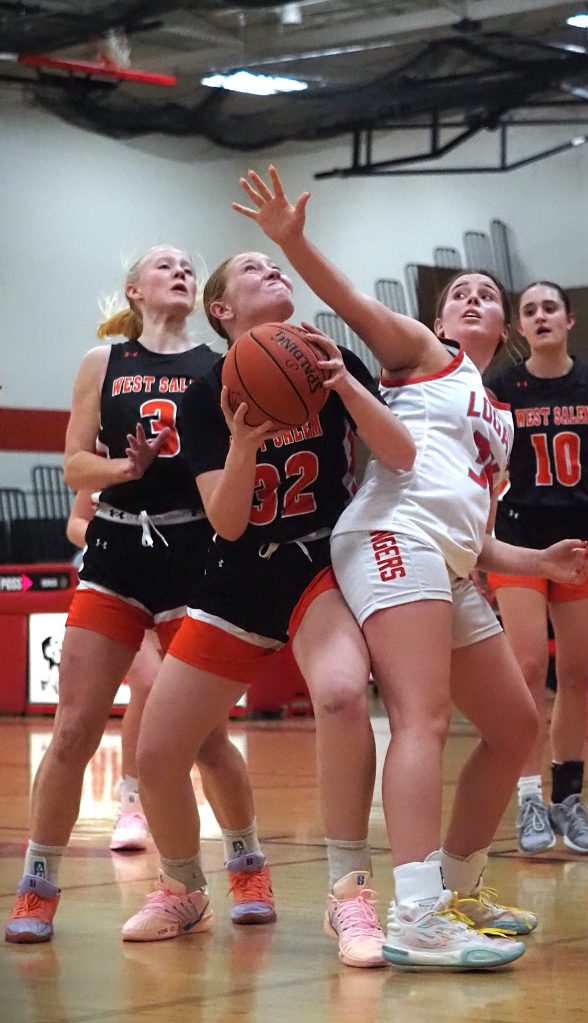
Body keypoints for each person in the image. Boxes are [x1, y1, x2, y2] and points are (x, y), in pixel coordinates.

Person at [235, 165, 588, 970]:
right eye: (459, 292)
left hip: (449, 559)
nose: (472, 299)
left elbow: (479, 533)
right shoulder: (424, 353)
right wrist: (293, 241)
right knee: (423, 720)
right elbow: (355, 306)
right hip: (390, 536)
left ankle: (461, 887)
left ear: (501, 327)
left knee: (512, 727)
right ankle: (416, 911)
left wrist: (539, 559)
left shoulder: (498, 417)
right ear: (438, 316)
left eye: (486, 296)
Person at [121, 248, 417, 969]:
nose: (272, 271)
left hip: (317, 561)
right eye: (253, 269)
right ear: (222, 310)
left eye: (274, 265)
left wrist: (346, 386)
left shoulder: (329, 355)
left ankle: (348, 890)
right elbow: (225, 521)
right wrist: (248, 440)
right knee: (157, 757)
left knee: (344, 695)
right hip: (235, 575)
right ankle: (183, 888)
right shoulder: (202, 395)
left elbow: (399, 455)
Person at [4, 245, 248, 945]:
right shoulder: (101, 364)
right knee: (75, 730)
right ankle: (37, 887)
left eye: (188, 266)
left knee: (206, 741)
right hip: (115, 548)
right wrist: (123, 466)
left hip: (196, 551)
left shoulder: (224, 363)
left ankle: (244, 864)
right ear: (134, 289)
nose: (180, 271)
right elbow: (73, 463)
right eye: (164, 264)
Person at [484, 281, 588, 857]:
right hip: (521, 539)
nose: (541, 316)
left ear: (569, 319)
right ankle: (528, 796)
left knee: (576, 675)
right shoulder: (500, 387)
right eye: (530, 310)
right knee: (527, 668)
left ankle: (568, 798)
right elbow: (480, 466)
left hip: (583, 543)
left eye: (550, 307)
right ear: (519, 329)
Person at [66, 487, 161, 851]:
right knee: (147, 683)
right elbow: (75, 522)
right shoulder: (108, 447)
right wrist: (112, 534)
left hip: (177, 578)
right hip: (112, 579)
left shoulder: (185, 444)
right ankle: (131, 807)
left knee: (190, 713)